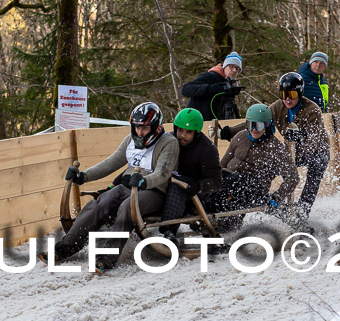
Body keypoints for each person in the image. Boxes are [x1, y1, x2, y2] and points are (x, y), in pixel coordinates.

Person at [39, 102, 178, 273]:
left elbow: (163, 172)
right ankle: (63, 249)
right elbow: (111, 162)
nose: (139, 133)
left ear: (155, 126)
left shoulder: (168, 142)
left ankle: (105, 259)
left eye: (144, 128)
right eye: (136, 128)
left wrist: (145, 181)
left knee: (127, 208)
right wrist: (84, 176)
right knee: (99, 203)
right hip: (128, 186)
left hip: (154, 191)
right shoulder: (130, 139)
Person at [218, 72, 329, 228]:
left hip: (317, 149)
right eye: (283, 94)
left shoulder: (312, 110)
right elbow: (256, 120)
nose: (287, 99)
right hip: (292, 148)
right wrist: (230, 132)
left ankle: (302, 211)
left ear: (300, 93)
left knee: (314, 174)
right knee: (271, 166)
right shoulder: (278, 107)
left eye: (291, 94)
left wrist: (300, 147)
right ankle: (266, 198)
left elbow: (313, 140)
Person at [208, 104, 299, 231]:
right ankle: (206, 211)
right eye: (251, 125)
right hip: (231, 183)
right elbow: (222, 165)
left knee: (235, 180)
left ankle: (212, 210)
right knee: (216, 177)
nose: (254, 129)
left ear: (267, 126)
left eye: (259, 125)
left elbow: (293, 177)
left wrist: (276, 197)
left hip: (254, 188)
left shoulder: (275, 148)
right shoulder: (240, 137)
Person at [159, 108, 222, 245]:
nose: (183, 135)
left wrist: (199, 186)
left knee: (178, 184)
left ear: (196, 133)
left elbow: (216, 181)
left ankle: (168, 231)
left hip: (195, 194)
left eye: (188, 132)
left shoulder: (207, 149)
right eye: (180, 130)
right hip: (167, 186)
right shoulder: (169, 141)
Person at [181, 52, 243, 121]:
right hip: (194, 121)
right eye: (231, 67)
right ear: (224, 67)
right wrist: (212, 88)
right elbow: (186, 89)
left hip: (213, 124)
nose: (234, 70)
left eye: (237, 69)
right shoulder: (210, 76)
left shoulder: (229, 86)